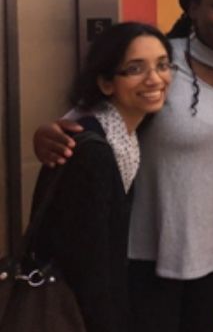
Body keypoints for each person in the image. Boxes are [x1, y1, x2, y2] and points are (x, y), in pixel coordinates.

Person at [33, 0, 213, 332]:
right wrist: (45, 132)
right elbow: (89, 116)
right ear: (192, 6)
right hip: (145, 254)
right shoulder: (160, 62)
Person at [33, 22, 173, 332]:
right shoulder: (92, 152)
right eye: (135, 69)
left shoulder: (125, 137)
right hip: (76, 313)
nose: (155, 78)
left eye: (162, 65)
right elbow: (87, 264)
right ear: (106, 83)